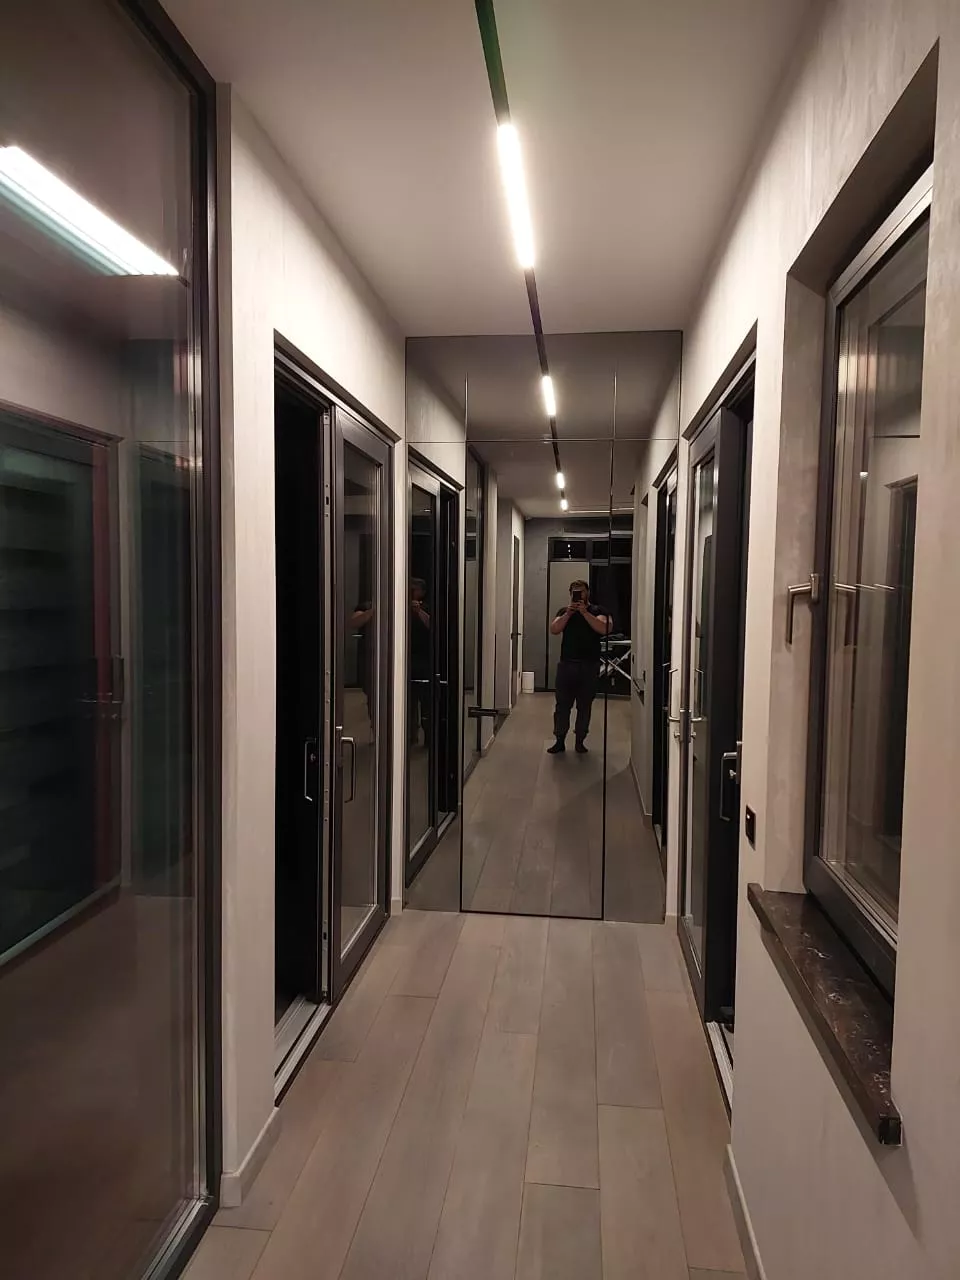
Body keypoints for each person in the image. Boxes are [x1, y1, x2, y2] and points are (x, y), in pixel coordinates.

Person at [547, 579, 611, 754]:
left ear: (587, 592)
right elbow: (554, 629)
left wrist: (584, 613)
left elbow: (605, 628)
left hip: (589, 666)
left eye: (581, 591)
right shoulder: (564, 611)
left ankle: (580, 740)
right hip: (567, 665)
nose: (578, 594)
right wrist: (568, 614)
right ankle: (559, 740)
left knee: (584, 706)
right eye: (574, 591)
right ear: (570, 594)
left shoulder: (598, 610)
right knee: (562, 706)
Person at [408, 577, 431, 746]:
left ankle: (429, 735)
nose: (411, 592)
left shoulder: (427, 607)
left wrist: (418, 612)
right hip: (407, 659)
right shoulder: (402, 606)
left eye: (414, 589)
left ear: (422, 592)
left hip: (424, 659)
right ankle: (410, 735)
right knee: (409, 700)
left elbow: (432, 625)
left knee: (426, 701)